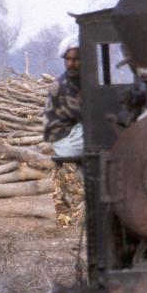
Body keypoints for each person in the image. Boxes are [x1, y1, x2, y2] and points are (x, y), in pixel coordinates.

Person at [43, 34, 84, 228]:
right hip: (64, 137)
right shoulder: (62, 86)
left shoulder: (81, 81)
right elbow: (82, 114)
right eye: (68, 59)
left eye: (76, 59)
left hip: (72, 134)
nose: (71, 63)